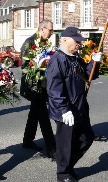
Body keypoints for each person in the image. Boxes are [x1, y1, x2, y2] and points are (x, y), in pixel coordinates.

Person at [46, 27, 102, 182]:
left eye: (79, 41)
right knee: (65, 144)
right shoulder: (57, 60)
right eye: (76, 41)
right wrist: (64, 110)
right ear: (64, 40)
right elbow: (54, 89)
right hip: (66, 111)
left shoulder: (75, 58)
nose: (79, 44)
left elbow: (87, 76)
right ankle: (63, 174)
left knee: (87, 138)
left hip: (80, 107)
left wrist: (94, 63)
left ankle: (68, 167)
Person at [21, 20, 56, 160]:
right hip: (33, 87)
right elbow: (24, 66)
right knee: (43, 117)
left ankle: (27, 141)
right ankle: (52, 149)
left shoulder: (45, 43)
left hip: (42, 86)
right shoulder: (29, 43)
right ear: (42, 29)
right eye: (50, 30)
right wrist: (38, 71)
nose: (52, 33)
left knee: (34, 114)